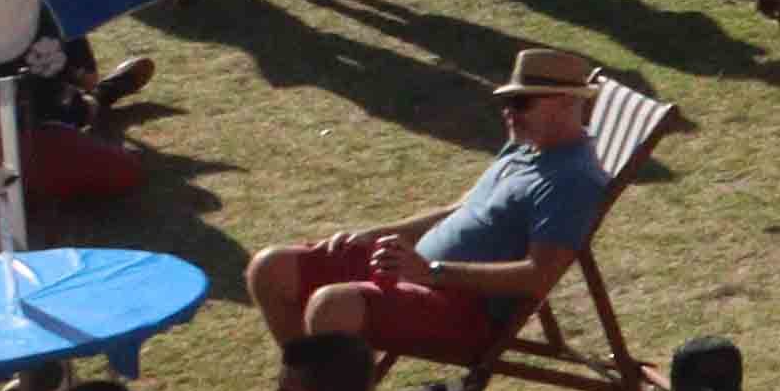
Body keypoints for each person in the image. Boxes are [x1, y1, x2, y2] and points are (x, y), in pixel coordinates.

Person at [247, 46, 617, 368]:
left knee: (332, 307)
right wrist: (373, 236)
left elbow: (538, 276)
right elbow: (456, 209)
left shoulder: (572, 180)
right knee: (271, 268)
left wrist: (432, 271)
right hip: (415, 270)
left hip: (462, 307)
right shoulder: (526, 146)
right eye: (507, 101)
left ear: (569, 103)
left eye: (521, 102)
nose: (508, 112)